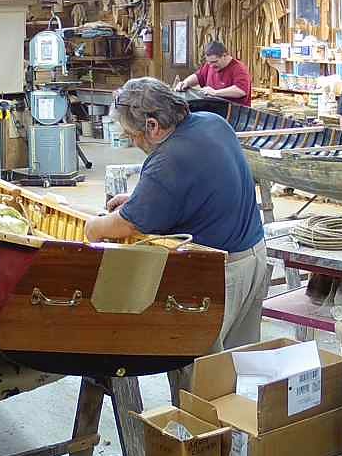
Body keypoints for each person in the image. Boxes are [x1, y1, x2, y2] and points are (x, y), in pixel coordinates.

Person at [84, 78, 270, 388]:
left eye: (132, 136)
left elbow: (125, 225)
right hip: (254, 256)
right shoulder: (212, 123)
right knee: (242, 370)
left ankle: (201, 422)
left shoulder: (168, 159)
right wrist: (141, 199)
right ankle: (242, 419)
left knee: (200, 376)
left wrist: (93, 226)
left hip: (221, 275)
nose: (134, 143)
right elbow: (201, 186)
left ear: (153, 125)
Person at [174, 41, 253, 106]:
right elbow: (198, 76)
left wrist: (215, 92)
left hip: (234, 112)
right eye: (209, 62)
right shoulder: (210, 65)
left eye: (214, 62)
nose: (211, 66)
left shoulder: (239, 68)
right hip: (215, 107)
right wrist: (185, 83)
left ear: (224, 56)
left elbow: (241, 90)